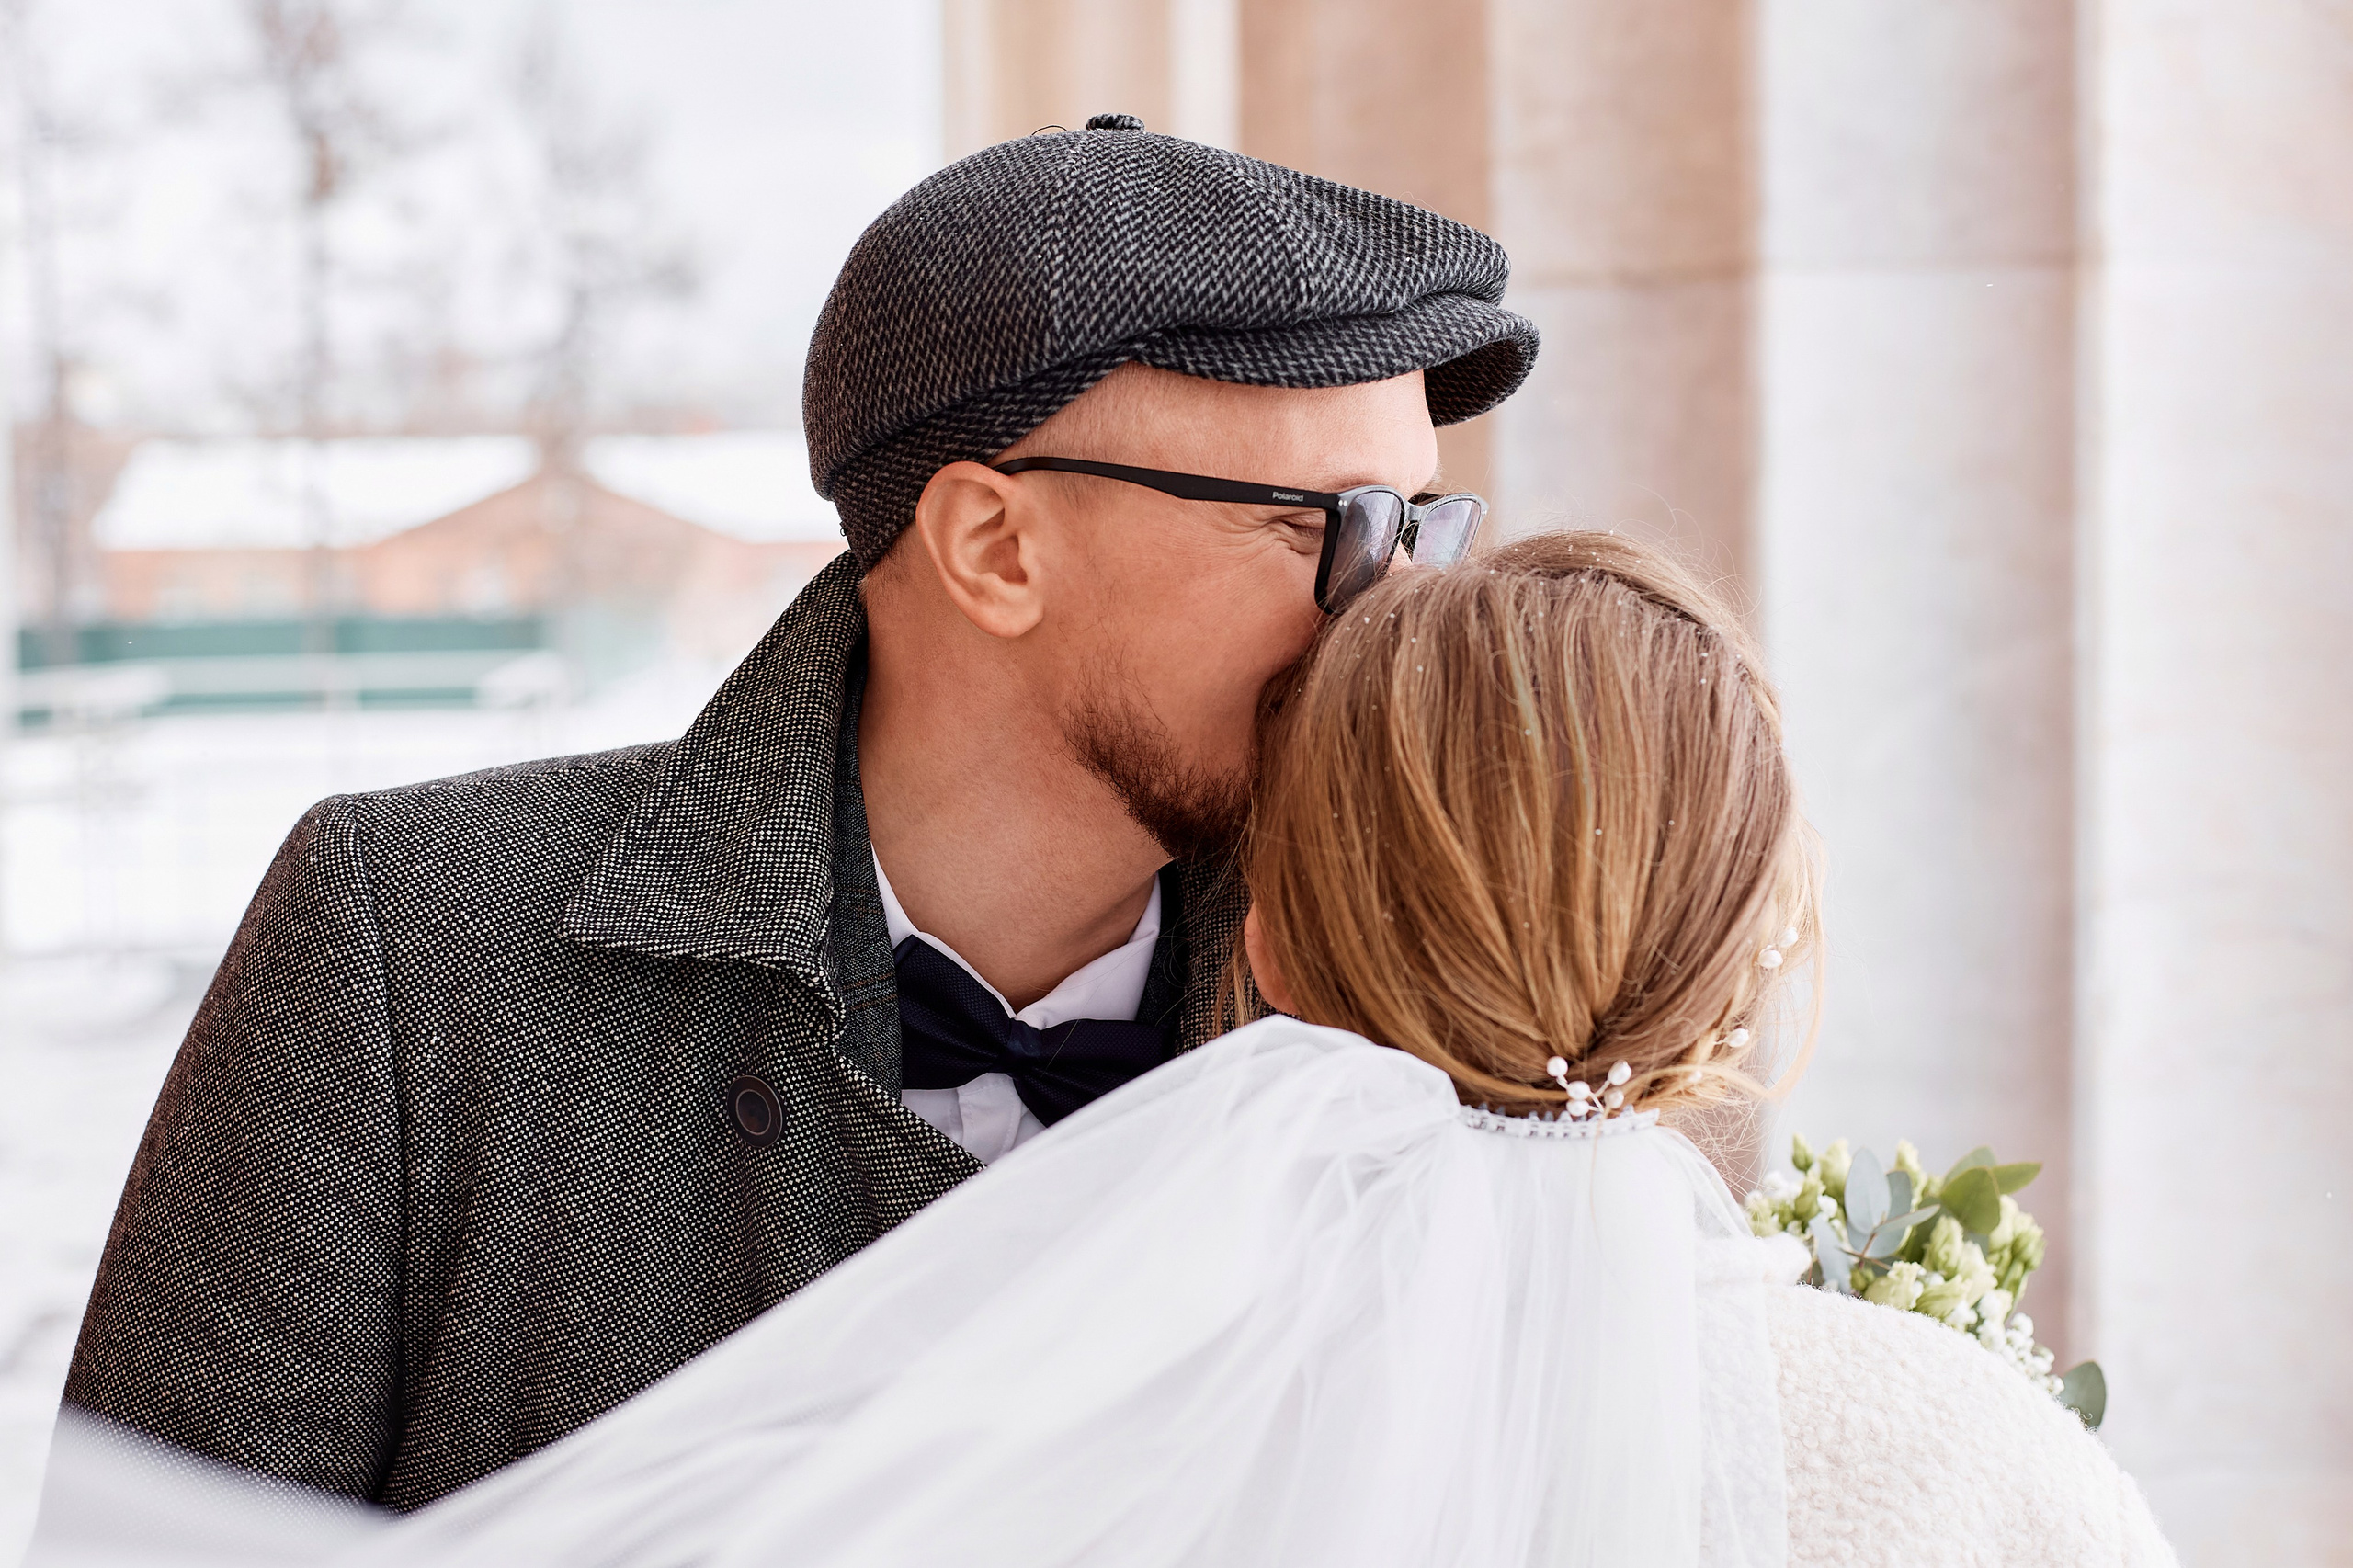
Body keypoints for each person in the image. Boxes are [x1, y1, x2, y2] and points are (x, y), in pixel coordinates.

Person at [30, 531, 2174, 1567]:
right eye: (1320, 524)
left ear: (1293, 911)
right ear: (1760, 934)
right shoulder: (1979, 1484)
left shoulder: (1018, 1426)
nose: (1363, 565)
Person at [57, 112, 1539, 1509]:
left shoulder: (1441, 1004)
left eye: (1426, 525)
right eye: (1337, 527)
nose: (1402, 615)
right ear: (995, 546)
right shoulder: (407, 951)